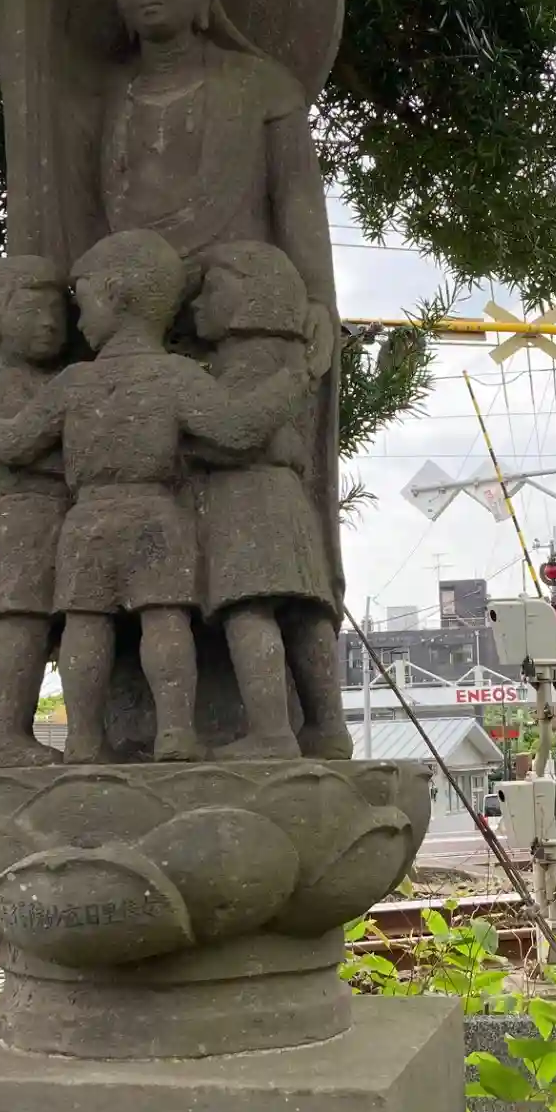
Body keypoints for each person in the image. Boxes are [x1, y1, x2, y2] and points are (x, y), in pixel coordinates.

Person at [0, 228, 306, 764]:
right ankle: (176, 732)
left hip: (87, 518)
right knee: (166, 620)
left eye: (84, 304)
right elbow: (238, 429)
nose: (78, 321)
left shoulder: (73, 382)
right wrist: (290, 383)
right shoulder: (176, 376)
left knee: (85, 623)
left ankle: (83, 740)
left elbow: (16, 440)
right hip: (155, 512)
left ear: (115, 295)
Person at [190, 242, 352, 759]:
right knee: (305, 611)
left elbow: (236, 431)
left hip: (246, 494)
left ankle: (271, 732)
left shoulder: (246, 360)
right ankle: (328, 727)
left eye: (210, 291)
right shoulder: (288, 354)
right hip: (288, 498)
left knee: (249, 608)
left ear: (250, 299)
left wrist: (187, 438)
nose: (197, 305)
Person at [0, 254, 69, 768]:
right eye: (32, 311)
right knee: (24, 623)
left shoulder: (56, 380)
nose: (48, 322)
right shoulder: (8, 386)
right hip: (29, 517)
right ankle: (6, 733)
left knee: (71, 624)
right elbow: (19, 446)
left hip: (63, 516)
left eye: (56, 311)